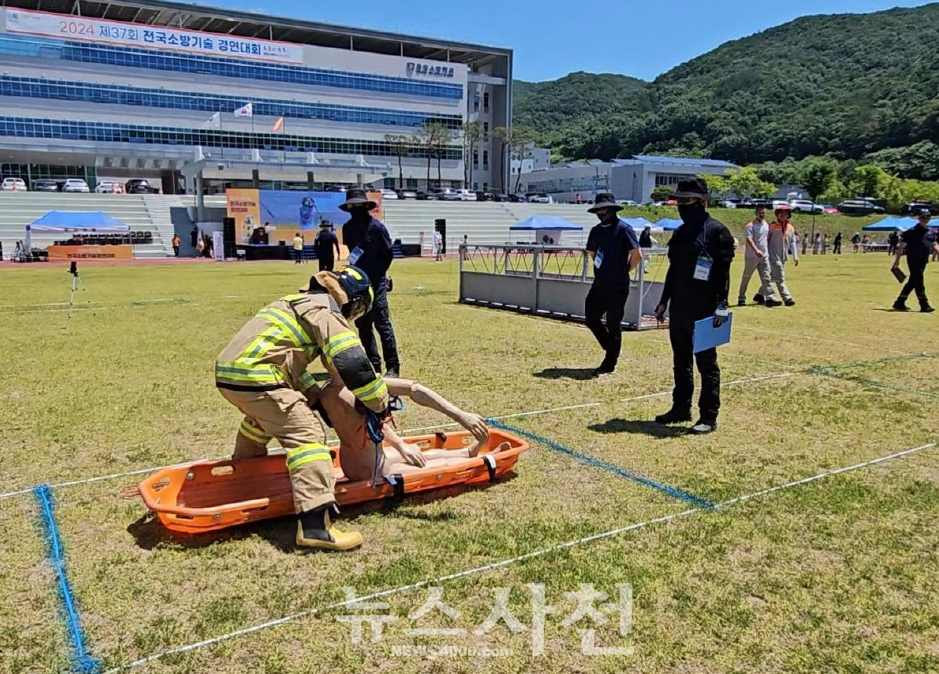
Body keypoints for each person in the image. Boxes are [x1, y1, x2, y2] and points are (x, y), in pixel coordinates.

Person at [215, 266, 388, 551]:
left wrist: (313, 394)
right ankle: (316, 527)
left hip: (232, 373)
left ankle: (245, 476)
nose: (352, 318)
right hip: (258, 376)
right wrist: (379, 403)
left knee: (264, 419)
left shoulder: (295, 302)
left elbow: (289, 360)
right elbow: (352, 362)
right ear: (352, 301)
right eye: (357, 311)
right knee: (307, 435)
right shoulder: (327, 312)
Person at [312, 376, 511, 482]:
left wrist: (400, 445)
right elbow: (415, 390)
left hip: (355, 462)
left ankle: (467, 451)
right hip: (373, 470)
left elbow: (365, 425)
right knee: (437, 463)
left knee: (418, 452)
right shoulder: (357, 389)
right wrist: (460, 415)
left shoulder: (325, 391)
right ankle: (481, 459)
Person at [653, 178, 735, 434]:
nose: (682, 205)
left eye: (687, 201)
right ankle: (680, 407)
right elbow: (673, 270)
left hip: (706, 308)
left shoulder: (717, 232)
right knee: (681, 359)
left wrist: (722, 304)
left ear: (702, 202)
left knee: (706, 363)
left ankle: (708, 416)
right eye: (679, 201)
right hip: (680, 306)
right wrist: (663, 301)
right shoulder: (679, 233)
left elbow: (723, 273)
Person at [341, 188, 400, 378]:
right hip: (357, 284)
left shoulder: (376, 228)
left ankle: (393, 366)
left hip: (376, 281)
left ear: (366, 206)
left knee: (382, 323)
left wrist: (380, 275)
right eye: (353, 206)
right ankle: (373, 365)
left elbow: (388, 254)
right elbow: (352, 253)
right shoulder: (348, 228)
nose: (356, 209)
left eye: (359, 205)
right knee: (363, 324)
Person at [584, 193, 641, 378]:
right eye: (598, 209)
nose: (601, 212)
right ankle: (611, 346)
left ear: (613, 209)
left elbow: (637, 254)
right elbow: (591, 252)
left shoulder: (624, 228)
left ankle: (609, 363)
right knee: (591, 317)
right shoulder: (596, 231)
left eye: (604, 209)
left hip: (618, 285)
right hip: (599, 282)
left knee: (613, 322)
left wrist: (625, 270)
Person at [892, 209, 939, 312]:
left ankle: (899, 302)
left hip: (923, 260)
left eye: (927, 217)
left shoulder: (931, 231)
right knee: (918, 280)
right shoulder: (911, 232)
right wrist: (897, 261)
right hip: (913, 259)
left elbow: (935, 244)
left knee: (914, 281)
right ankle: (924, 304)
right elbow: (901, 247)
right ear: (919, 218)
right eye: (923, 217)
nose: (925, 219)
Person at [737, 206, 775, 306]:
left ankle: (770, 297)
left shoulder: (766, 224)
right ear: (756, 213)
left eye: (764, 213)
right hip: (752, 256)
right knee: (747, 277)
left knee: (767, 277)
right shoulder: (750, 226)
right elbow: (749, 239)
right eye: (760, 213)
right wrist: (756, 250)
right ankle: (741, 297)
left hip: (764, 255)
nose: (762, 215)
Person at [766, 205, 799, 307]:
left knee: (771, 276)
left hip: (783, 256)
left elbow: (793, 242)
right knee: (780, 277)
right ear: (777, 214)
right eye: (781, 213)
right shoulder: (771, 226)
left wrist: (795, 256)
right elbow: (765, 240)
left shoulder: (790, 227)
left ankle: (759, 294)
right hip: (772, 255)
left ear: (788, 215)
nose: (783, 215)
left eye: (785, 213)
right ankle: (787, 298)